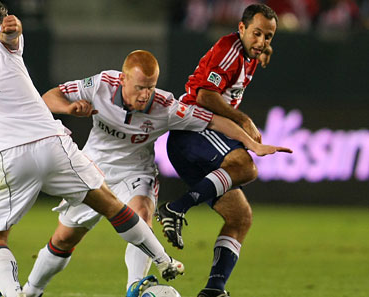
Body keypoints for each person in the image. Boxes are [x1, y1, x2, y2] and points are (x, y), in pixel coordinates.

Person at [0, 1, 186, 297]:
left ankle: (15, 294)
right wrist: (10, 29)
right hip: (52, 143)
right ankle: (165, 260)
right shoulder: (1, 42)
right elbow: (10, 35)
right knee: (112, 206)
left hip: (4, 155)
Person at [22, 50, 291, 297]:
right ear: (123, 79)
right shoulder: (101, 84)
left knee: (141, 213)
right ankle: (30, 292)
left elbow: (214, 120)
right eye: (139, 87)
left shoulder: (165, 106)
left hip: (136, 172)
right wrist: (68, 108)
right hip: (93, 168)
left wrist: (252, 143)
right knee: (64, 238)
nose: (145, 94)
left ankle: (135, 287)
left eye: (150, 87)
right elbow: (50, 96)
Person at [158, 4, 279, 297]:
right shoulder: (230, 50)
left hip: (206, 137)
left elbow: (256, 51)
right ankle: (176, 208)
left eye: (269, 37)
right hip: (193, 131)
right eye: (257, 34)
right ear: (241, 28)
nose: (261, 41)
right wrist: (243, 119)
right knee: (246, 166)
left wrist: (261, 50)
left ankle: (214, 289)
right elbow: (205, 95)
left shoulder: (251, 52)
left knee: (240, 217)